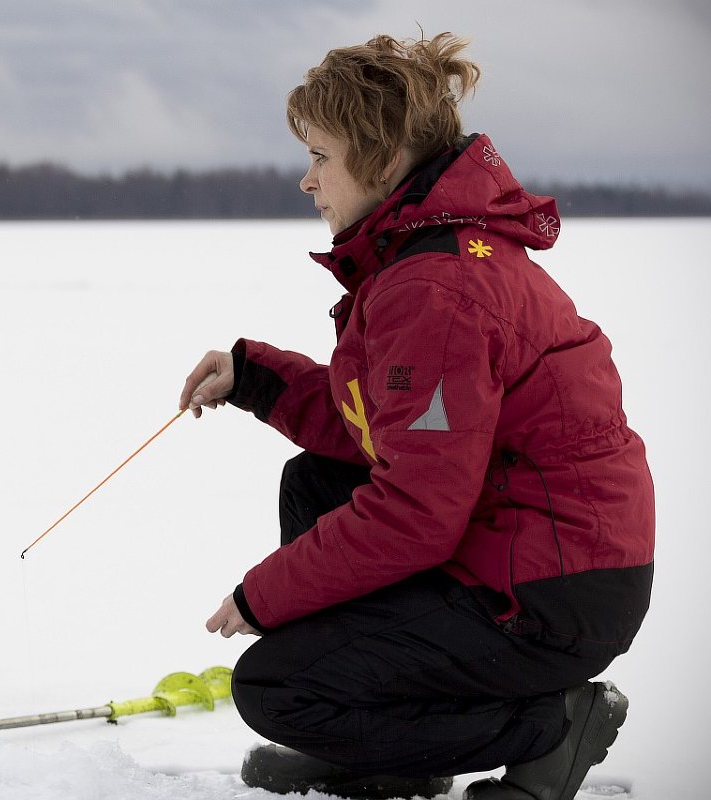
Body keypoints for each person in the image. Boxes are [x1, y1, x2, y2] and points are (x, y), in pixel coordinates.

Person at [179, 33, 654, 800]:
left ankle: (549, 728)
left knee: (277, 688)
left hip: (549, 594)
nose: (307, 181)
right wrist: (256, 380)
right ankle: (390, 746)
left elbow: (415, 510)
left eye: (321, 156)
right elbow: (384, 433)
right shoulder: (422, 262)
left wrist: (260, 595)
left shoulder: (437, 289)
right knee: (314, 483)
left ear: (386, 156)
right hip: (530, 554)